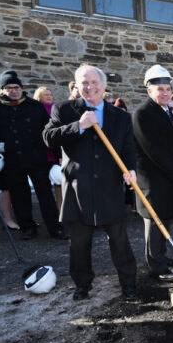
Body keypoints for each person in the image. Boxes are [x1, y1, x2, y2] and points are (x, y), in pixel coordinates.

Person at [43, 65, 137, 300]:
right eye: (84, 83)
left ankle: (128, 283)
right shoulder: (64, 110)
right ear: (76, 86)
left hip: (109, 186)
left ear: (103, 85)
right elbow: (48, 138)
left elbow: (128, 148)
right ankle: (82, 284)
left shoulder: (121, 117)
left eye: (94, 82)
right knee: (79, 241)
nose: (89, 87)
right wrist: (79, 126)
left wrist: (131, 169)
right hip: (78, 186)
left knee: (118, 239)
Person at [0, 70, 67, 240]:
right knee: (20, 196)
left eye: (17, 87)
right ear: (3, 89)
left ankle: (55, 228)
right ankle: (28, 228)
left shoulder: (34, 105)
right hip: (13, 158)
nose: (14, 90)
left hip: (36, 157)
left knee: (45, 195)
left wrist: (58, 154)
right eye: (9, 87)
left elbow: (47, 131)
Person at [132, 65, 173, 281]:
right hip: (152, 178)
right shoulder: (142, 114)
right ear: (149, 91)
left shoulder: (165, 111)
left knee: (165, 217)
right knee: (155, 219)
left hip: (165, 177)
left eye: (167, 88)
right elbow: (153, 149)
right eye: (160, 89)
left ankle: (162, 256)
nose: (165, 93)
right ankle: (155, 264)